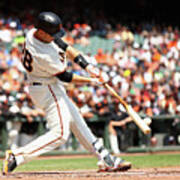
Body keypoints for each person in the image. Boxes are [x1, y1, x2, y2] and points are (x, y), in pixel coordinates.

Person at [2, 12, 131, 175]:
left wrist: (87, 66)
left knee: (77, 121)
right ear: (42, 32)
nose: (54, 37)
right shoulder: (42, 54)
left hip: (46, 85)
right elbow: (65, 77)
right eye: (51, 34)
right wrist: (92, 81)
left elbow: (65, 46)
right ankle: (17, 156)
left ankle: (105, 157)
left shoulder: (34, 33)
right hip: (46, 88)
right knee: (61, 134)